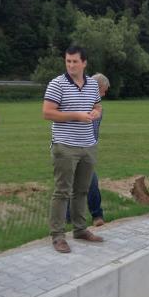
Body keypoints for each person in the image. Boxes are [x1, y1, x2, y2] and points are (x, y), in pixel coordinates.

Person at [43, 46, 104, 254]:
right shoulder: (56, 84)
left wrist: (95, 113)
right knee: (62, 192)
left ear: (84, 63)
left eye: (74, 61)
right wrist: (76, 115)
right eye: (68, 61)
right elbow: (48, 113)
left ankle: (80, 229)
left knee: (82, 190)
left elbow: (98, 106)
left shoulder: (93, 85)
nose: (70, 65)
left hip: (88, 145)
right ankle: (58, 236)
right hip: (64, 146)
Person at [66, 73, 110, 227]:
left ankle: (72, 217)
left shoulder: (99, 109)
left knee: (86, 182)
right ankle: (95, 215)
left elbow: (94, 131)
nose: (104, 94)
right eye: (103, 90)